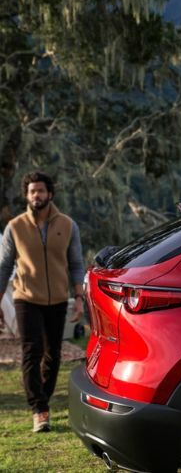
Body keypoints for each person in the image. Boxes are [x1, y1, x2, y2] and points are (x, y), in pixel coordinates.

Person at [0, 172, 84, 432]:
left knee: (53, 355)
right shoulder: (15, 227)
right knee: (31, 351)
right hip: (26, 297)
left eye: (41, 191)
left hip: (58, 298)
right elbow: (3, 267)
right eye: (32, 191)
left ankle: (43, 400)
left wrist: (79, 297)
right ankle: (39, 408)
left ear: (50, 194)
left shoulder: (68, 225)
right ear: (27, 196)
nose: (36, 195)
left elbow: (76, 264)